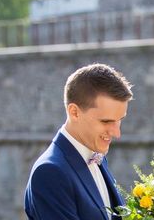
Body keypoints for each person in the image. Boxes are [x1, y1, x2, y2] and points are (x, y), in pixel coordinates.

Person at [24, 63, 133, 220]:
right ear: (74, 112)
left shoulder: (96, 155)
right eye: (106, 121)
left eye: (119, 120)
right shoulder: (49, 172)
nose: (117, 133)